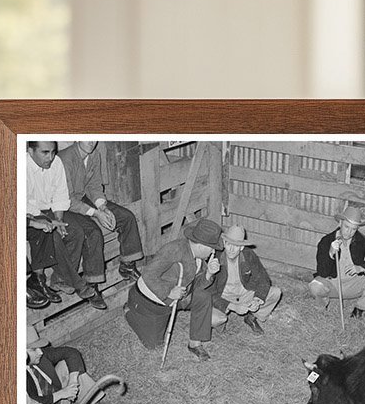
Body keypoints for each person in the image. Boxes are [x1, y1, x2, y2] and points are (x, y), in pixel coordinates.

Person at [124, 217, 223, 361]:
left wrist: (209, 274)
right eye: (212, 247)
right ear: (201, 245)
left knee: (203, 296)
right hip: (152, 301)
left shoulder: (199, 258)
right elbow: (148, 274)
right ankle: (129, 311)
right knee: (153, 345)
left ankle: (195, 344)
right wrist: (169, 291)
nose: (213, 251)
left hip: (179, 297)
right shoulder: (174, 249)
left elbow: (196, 286)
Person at [25, 139, 106, 310]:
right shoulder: (21, 167)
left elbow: (61, 194)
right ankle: (78, 283)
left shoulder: (56, 163)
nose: (50, 157)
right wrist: (46, 220)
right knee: (52, 235)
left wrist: (59, 219)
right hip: (30, 213)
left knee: (74, 231)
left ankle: (61, 280)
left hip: (52, 209)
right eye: (45, 153)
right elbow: (22, 203)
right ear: (30, 152)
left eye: (53, 152)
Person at [59, 140, 145, 284]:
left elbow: (94, 185)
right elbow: (67, 199)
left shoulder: (94, 154)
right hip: (64, 206)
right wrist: (96, 213)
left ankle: (127, 265)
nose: (91, 142)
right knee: (93, 233)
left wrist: (103, 207)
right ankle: (92, 283)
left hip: (82, 197)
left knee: (126, 217)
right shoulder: (65, 159)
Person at [308, 206, 365, 319]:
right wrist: (330, 254)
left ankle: (360, 308)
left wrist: (360, 268)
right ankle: (322, 308)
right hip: (333, 283)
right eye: (346, 227)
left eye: (353, 229)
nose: (349, 232)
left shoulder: (362, 240)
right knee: (315, 286)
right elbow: (322, 272)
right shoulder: (326, 241)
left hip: (353, 284)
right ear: (340, 223)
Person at [209, 224, 281, 335]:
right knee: (214, 318)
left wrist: (257, 299)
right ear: (224, 243)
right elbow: (209, 293)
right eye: (229, 244)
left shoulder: (249, 255)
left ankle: (252, 317)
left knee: (275, 292)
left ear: (242, 247)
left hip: (244, 293)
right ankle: (221, 325)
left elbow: (263, 279)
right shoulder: (215, 259)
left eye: (236, 246)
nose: (232, 249)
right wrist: (232, 306)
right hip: (224, 296)